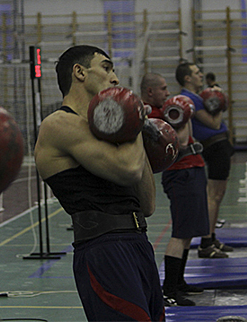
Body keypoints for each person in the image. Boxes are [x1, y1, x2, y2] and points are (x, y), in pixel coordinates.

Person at [35, 45, 164, 321]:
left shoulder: (108, 131)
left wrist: (133, 128)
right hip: (105, 250)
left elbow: (148, 204)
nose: (115, 78)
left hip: (138, 242)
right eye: (107, 67)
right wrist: (135, 121)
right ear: (79, 72)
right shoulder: (58, 124)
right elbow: (129, 169)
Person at [140, 73, 208, 307]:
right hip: (181, 173)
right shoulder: (154, 115)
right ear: (150, 92)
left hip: (192, 169)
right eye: (163, 88)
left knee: (189, 230)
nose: (167, 93)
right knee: (180, 232)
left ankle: (178, 282)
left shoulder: (167, 110)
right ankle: (169, 290)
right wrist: (184, 114)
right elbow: (181, 141)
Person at [176, 63, 234, 257]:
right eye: (197, 73)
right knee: (214, 196)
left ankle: (211, 237)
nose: (201, 75)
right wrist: (219, 101)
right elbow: (214, 123)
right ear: (187, 78)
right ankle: (206, 243)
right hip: (215, 146)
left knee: (217, 194)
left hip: (219, 146)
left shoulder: (197, 97)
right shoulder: (190, 99)